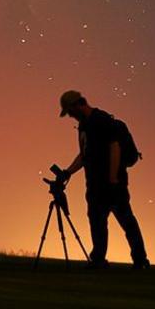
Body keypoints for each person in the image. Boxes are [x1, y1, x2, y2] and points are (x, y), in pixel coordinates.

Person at [56, 87, 148, 268]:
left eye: (71, 111)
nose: (70, 116)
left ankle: (140, 260)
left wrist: (113, 178)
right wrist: (68, 172)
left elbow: (115, 147)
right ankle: (98, 259)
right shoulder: (84, 125)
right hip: (94, 185)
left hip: (113, 184)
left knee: (126, 220)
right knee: (97, 221)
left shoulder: (101, 121)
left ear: (77, 105)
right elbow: (84, 154)